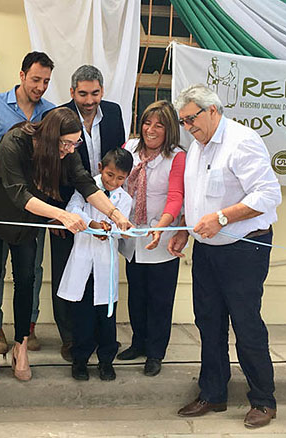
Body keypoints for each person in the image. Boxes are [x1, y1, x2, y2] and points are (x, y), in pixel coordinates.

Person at [0, 107, 132, 381]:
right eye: (66, 143)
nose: (71, 149)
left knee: (26, 278)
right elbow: (18, 192)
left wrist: (116, 215)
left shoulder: (68, 153)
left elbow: (86, 185)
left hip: (29, 218)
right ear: (49, 136)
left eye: (75, 143)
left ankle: (21, 344)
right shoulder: (16, 142)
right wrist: (61, 215)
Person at [169, 84, 282, 429]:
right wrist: (183, 229)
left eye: (191, 119)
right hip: (207, 250)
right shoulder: (197, 146)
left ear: (213, 110)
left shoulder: (241, 141)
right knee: (208, 322)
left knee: (245, 324)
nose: (187, 127)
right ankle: (213, 393)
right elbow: (197, 197)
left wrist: (221, 218)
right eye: (183, 122)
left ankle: (263, 400)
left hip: (244, 248)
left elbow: (268, 195)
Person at [0, 51, 56, 354]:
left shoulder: (50, 114)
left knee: (30, 272)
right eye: (35, 79)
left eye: (45, 81)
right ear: (21, 75)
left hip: (32, 210)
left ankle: (26, 330)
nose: (40, 87)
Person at [50, 64, 126, 361]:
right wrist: (56, 213)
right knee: (65, 273)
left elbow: (117, 157)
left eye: (95, 93)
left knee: (100, 273)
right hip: (69, 206)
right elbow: (51, 167)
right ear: (72, 92)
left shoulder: (115, 112)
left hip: (105, 206)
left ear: (102, 91)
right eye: (83, 94)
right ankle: (70, 338)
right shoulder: (59, 116)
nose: (90, 100)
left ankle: (98, 337)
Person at [116, 100, 186, 378]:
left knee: (160, 299)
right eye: (147, 122)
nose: (151, 130)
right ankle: (139, 342)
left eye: (159, 125)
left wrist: (165, 225)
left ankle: (156, 352)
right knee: (137, 295)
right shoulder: (129, 149)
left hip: (161, 237)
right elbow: (114, 181)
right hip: (133, 235)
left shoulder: (176, 157)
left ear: (169, 130)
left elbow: (176, 196)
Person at [58, 148, 133, 381]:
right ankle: (80, 361)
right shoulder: (85, 188)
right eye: (110, 175)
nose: (113, 182)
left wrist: (115, 231)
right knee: (83, 317)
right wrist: (92, 224)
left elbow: (123, 232)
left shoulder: (125, 199)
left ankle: (106, 361)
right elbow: (72, 211)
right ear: (101, 168)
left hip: (105, 264)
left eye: (120, 178)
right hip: (83, 264)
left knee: (107, 317)